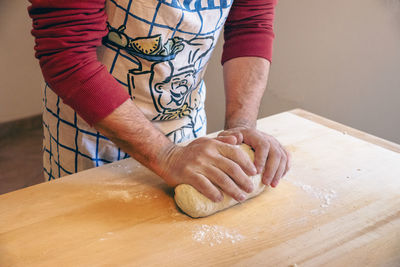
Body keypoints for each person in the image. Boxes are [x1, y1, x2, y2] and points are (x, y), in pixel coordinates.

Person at [28, 0, 290, 203]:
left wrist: (242, 127)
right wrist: (166, 156)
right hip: (93, 136)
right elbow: (68, 56)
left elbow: (250, 25)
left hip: (188, 128)